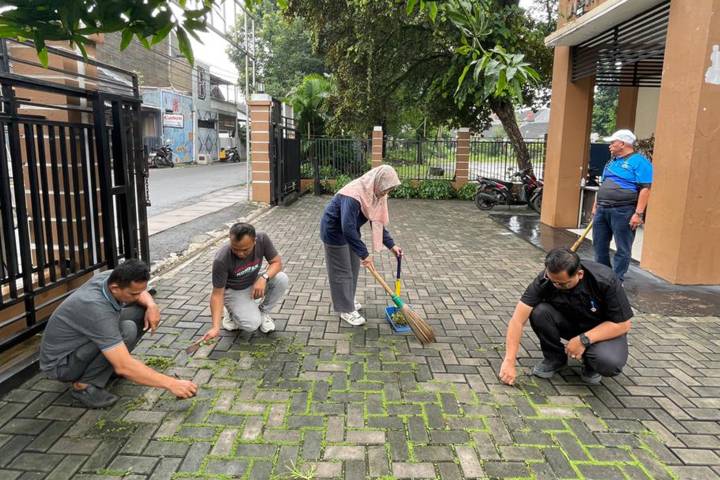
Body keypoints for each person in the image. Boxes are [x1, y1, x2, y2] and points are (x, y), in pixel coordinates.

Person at [39, 259, 198, 408]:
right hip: (62, 365)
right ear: (115, 288)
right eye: (133, 294)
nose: (138, 296)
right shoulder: (97, 310)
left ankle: (108, 367)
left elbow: (142, 292)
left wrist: (152, 305)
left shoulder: (110, 276)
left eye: (139, 292)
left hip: (81, 343)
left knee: (140, 311)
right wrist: (172, 384)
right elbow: (125, 366)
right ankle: (84, 386)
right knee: (127, 330)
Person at [498, 248, 632, 386]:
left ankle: (591, 363)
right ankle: (555, 359)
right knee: (539, 311)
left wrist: (583, 340)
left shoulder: (605, 280)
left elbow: (623, 324)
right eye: (553, 282)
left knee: (609, 363)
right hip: (571, 323)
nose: (556, 286)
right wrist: (509, 360)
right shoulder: (546, 279)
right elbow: (517, 320)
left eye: (562, 284)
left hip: (601, 330)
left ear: (580, 274)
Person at [320, 165, 403, 326]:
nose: (386, 193)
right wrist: (364, 254)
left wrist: (392, 245)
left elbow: (377, 220)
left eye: (389, 189)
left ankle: (348, 299)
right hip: (334, 231)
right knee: (342, 271)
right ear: (378, 182)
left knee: (353, 267)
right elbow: (347, 227)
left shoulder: (375, 193)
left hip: (350, 231)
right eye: (386, 189)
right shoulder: (354, 194)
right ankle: (345, 309)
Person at [203, 222, 288, 340]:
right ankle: (231, 313)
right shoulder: (221, 259)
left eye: (245, 250)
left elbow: (277, 263)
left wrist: (264, 278)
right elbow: (217, 295)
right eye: (235, 249)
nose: (240, 254)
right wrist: (215, 327)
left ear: (254, 241)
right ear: (230, 240)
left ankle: (263, 313)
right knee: (251, 325)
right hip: (234, 290)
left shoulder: (262, 239)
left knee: (281, 279)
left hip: (253, 282)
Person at [591, 129, 653, 281]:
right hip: (602, 209)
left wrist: (638, 214)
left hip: (624, 210)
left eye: (613, 142)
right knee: (599, 245)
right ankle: (603, 277)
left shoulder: (640, 162)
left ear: (623, 144)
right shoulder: (611, 162)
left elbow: (645, 189)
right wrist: (595, 205)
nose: (610, 145)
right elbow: (603, 184)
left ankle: (616, 280)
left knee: (623, 248)